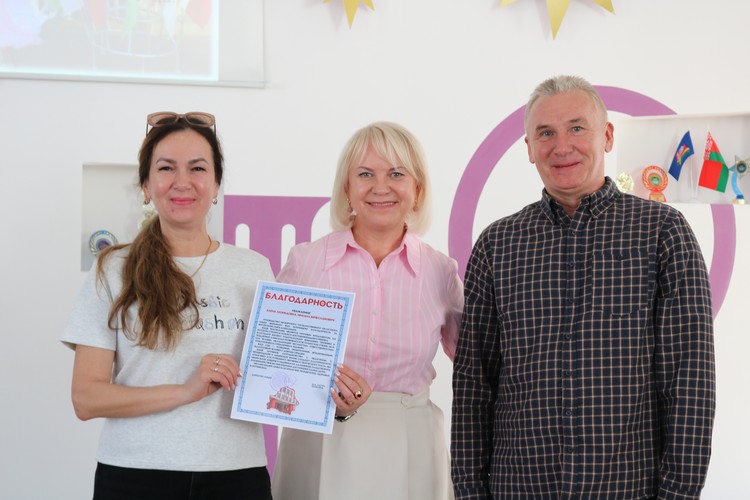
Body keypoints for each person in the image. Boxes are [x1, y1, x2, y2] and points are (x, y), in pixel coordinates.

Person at [451, 75, 716, 499]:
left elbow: (689, 380)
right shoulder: (497, 245)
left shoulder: (662, 233)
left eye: (576, 127)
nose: (562, 146)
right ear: (529, 148)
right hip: (518, 488)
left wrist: (679, 494)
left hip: (627, 488)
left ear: (606, 136)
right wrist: (469, 490)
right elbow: (473, 385)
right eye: (545, 133)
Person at [61, 112, 275, 499]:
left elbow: (274, 379)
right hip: (134, 476)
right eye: (166, 168)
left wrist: (328, 392)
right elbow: (86, 398)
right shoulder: (113, 268)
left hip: (236, 474)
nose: (182, 181)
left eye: (197, 168)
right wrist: (185, 391)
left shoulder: (254, 268)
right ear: (146, 185)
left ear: (216, 184)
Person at [271, 121, 464, 500]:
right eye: (365, 174)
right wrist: (321, 397)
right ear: (346, 188)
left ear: (418, 189)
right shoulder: (306, 262)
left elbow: (478, 363)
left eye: (397, 174)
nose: (380, 187)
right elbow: (273, 368)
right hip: (318, 440)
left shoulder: (440, 271)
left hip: (411, 442)